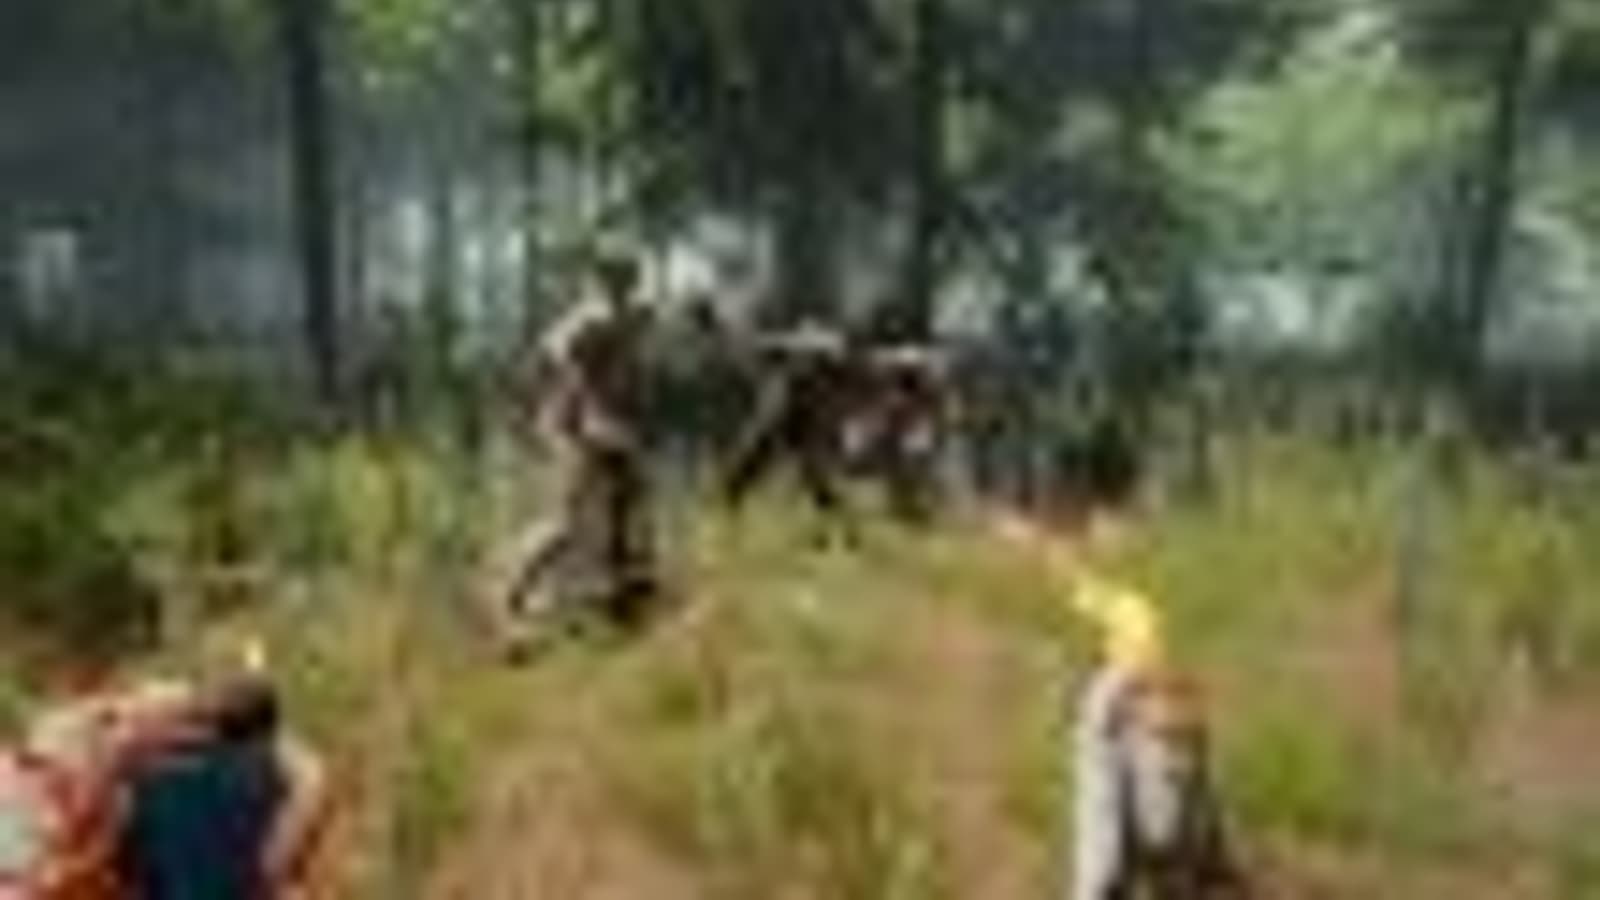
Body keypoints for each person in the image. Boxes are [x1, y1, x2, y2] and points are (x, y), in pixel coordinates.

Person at [994, 420, 1246, 900]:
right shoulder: (1139, 527)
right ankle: (1201, 865)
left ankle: (1106, 884)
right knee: (1178, 795)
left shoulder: (1102, 532)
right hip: (1163, 683)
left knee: (1107, 801)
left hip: (1129, 684)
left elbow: (1086, 586)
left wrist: (1034, 540)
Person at [497, 248, 656, 642]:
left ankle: (620, 589)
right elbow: (553, 355)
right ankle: (513, 595)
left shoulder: (623, 317)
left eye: (630, 275)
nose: (627, 282)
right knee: (568, 521)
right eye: (620, 275)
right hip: (575, 426)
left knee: (627, 496)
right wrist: (577, 402)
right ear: (605, 279)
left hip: (598, 425)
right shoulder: (591, 318)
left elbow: (621, 376)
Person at [721, 319, 859, 528]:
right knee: (758, 464)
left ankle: (836, 517)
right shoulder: (813, 356)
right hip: (790, 416)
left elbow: (756, 346)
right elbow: (755, 347)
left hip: (799, 418)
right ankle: (732, 504)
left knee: (812, 475)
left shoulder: (819, 357)